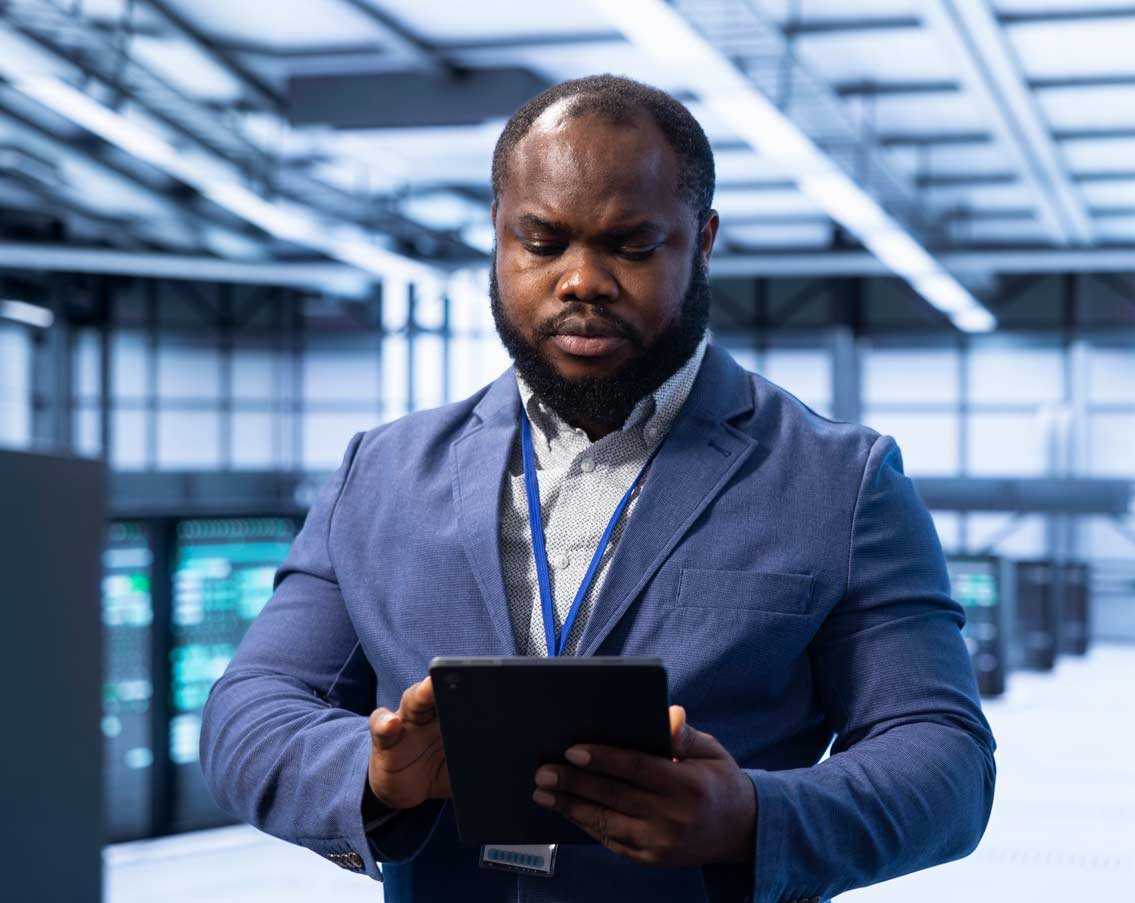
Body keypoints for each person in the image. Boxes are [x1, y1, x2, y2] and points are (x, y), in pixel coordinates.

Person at [200, 75, 996, 903]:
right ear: (499, 240)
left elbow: (944, 756)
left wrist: (755, 816)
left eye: (631, 245)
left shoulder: (842, 480)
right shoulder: (382, 473)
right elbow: (248, 710)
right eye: (542, 243)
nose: (582, 280)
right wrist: (373, 773)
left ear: (703, 240)